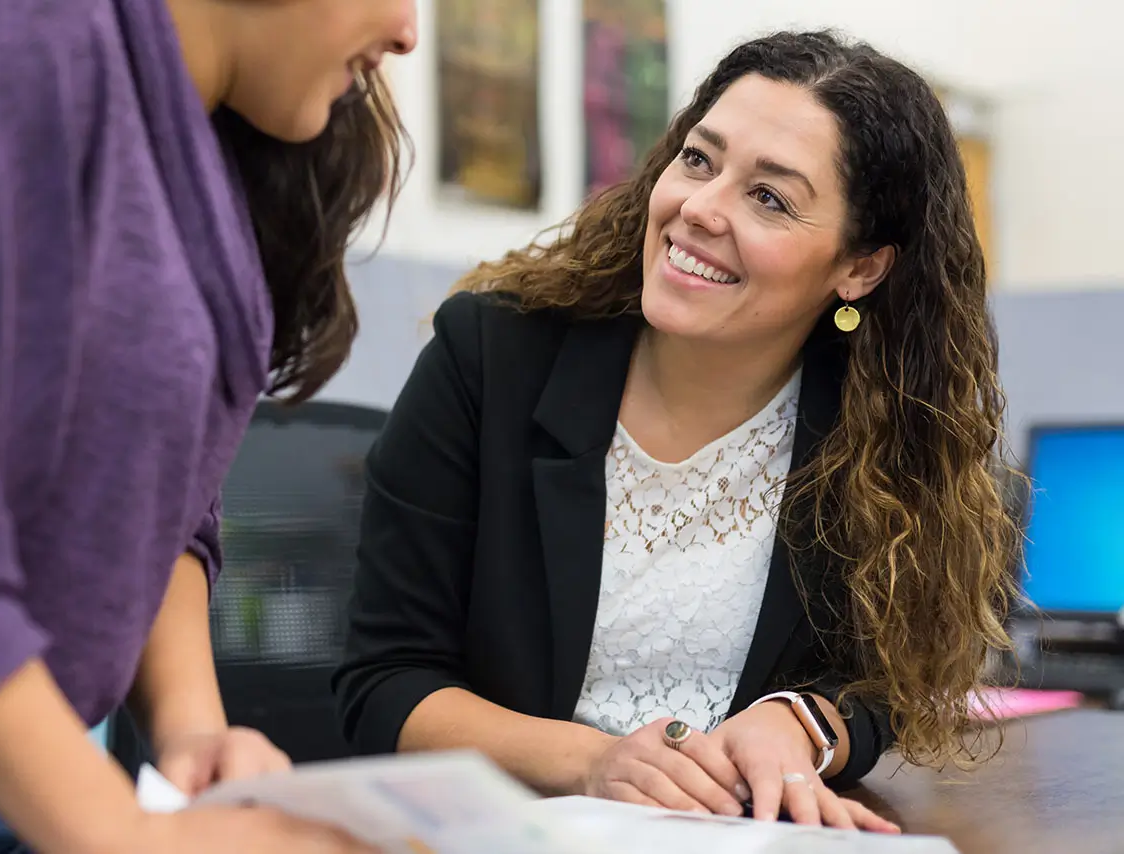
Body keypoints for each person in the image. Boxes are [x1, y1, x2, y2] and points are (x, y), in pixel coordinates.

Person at [334, 29, 1022, 832]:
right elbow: (385, 683)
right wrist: (591, 761)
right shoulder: (490, 357)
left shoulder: (870, 432)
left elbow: (882, 684)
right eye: (699, 160)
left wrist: (801, 723)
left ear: (859, 268)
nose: (699, 208)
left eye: (769, 196)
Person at [0, 0, 414, 851]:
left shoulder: (190, 133)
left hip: (12, 756)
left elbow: (166, 501)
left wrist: (193, 738)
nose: (408, 31)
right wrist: (125, 835)